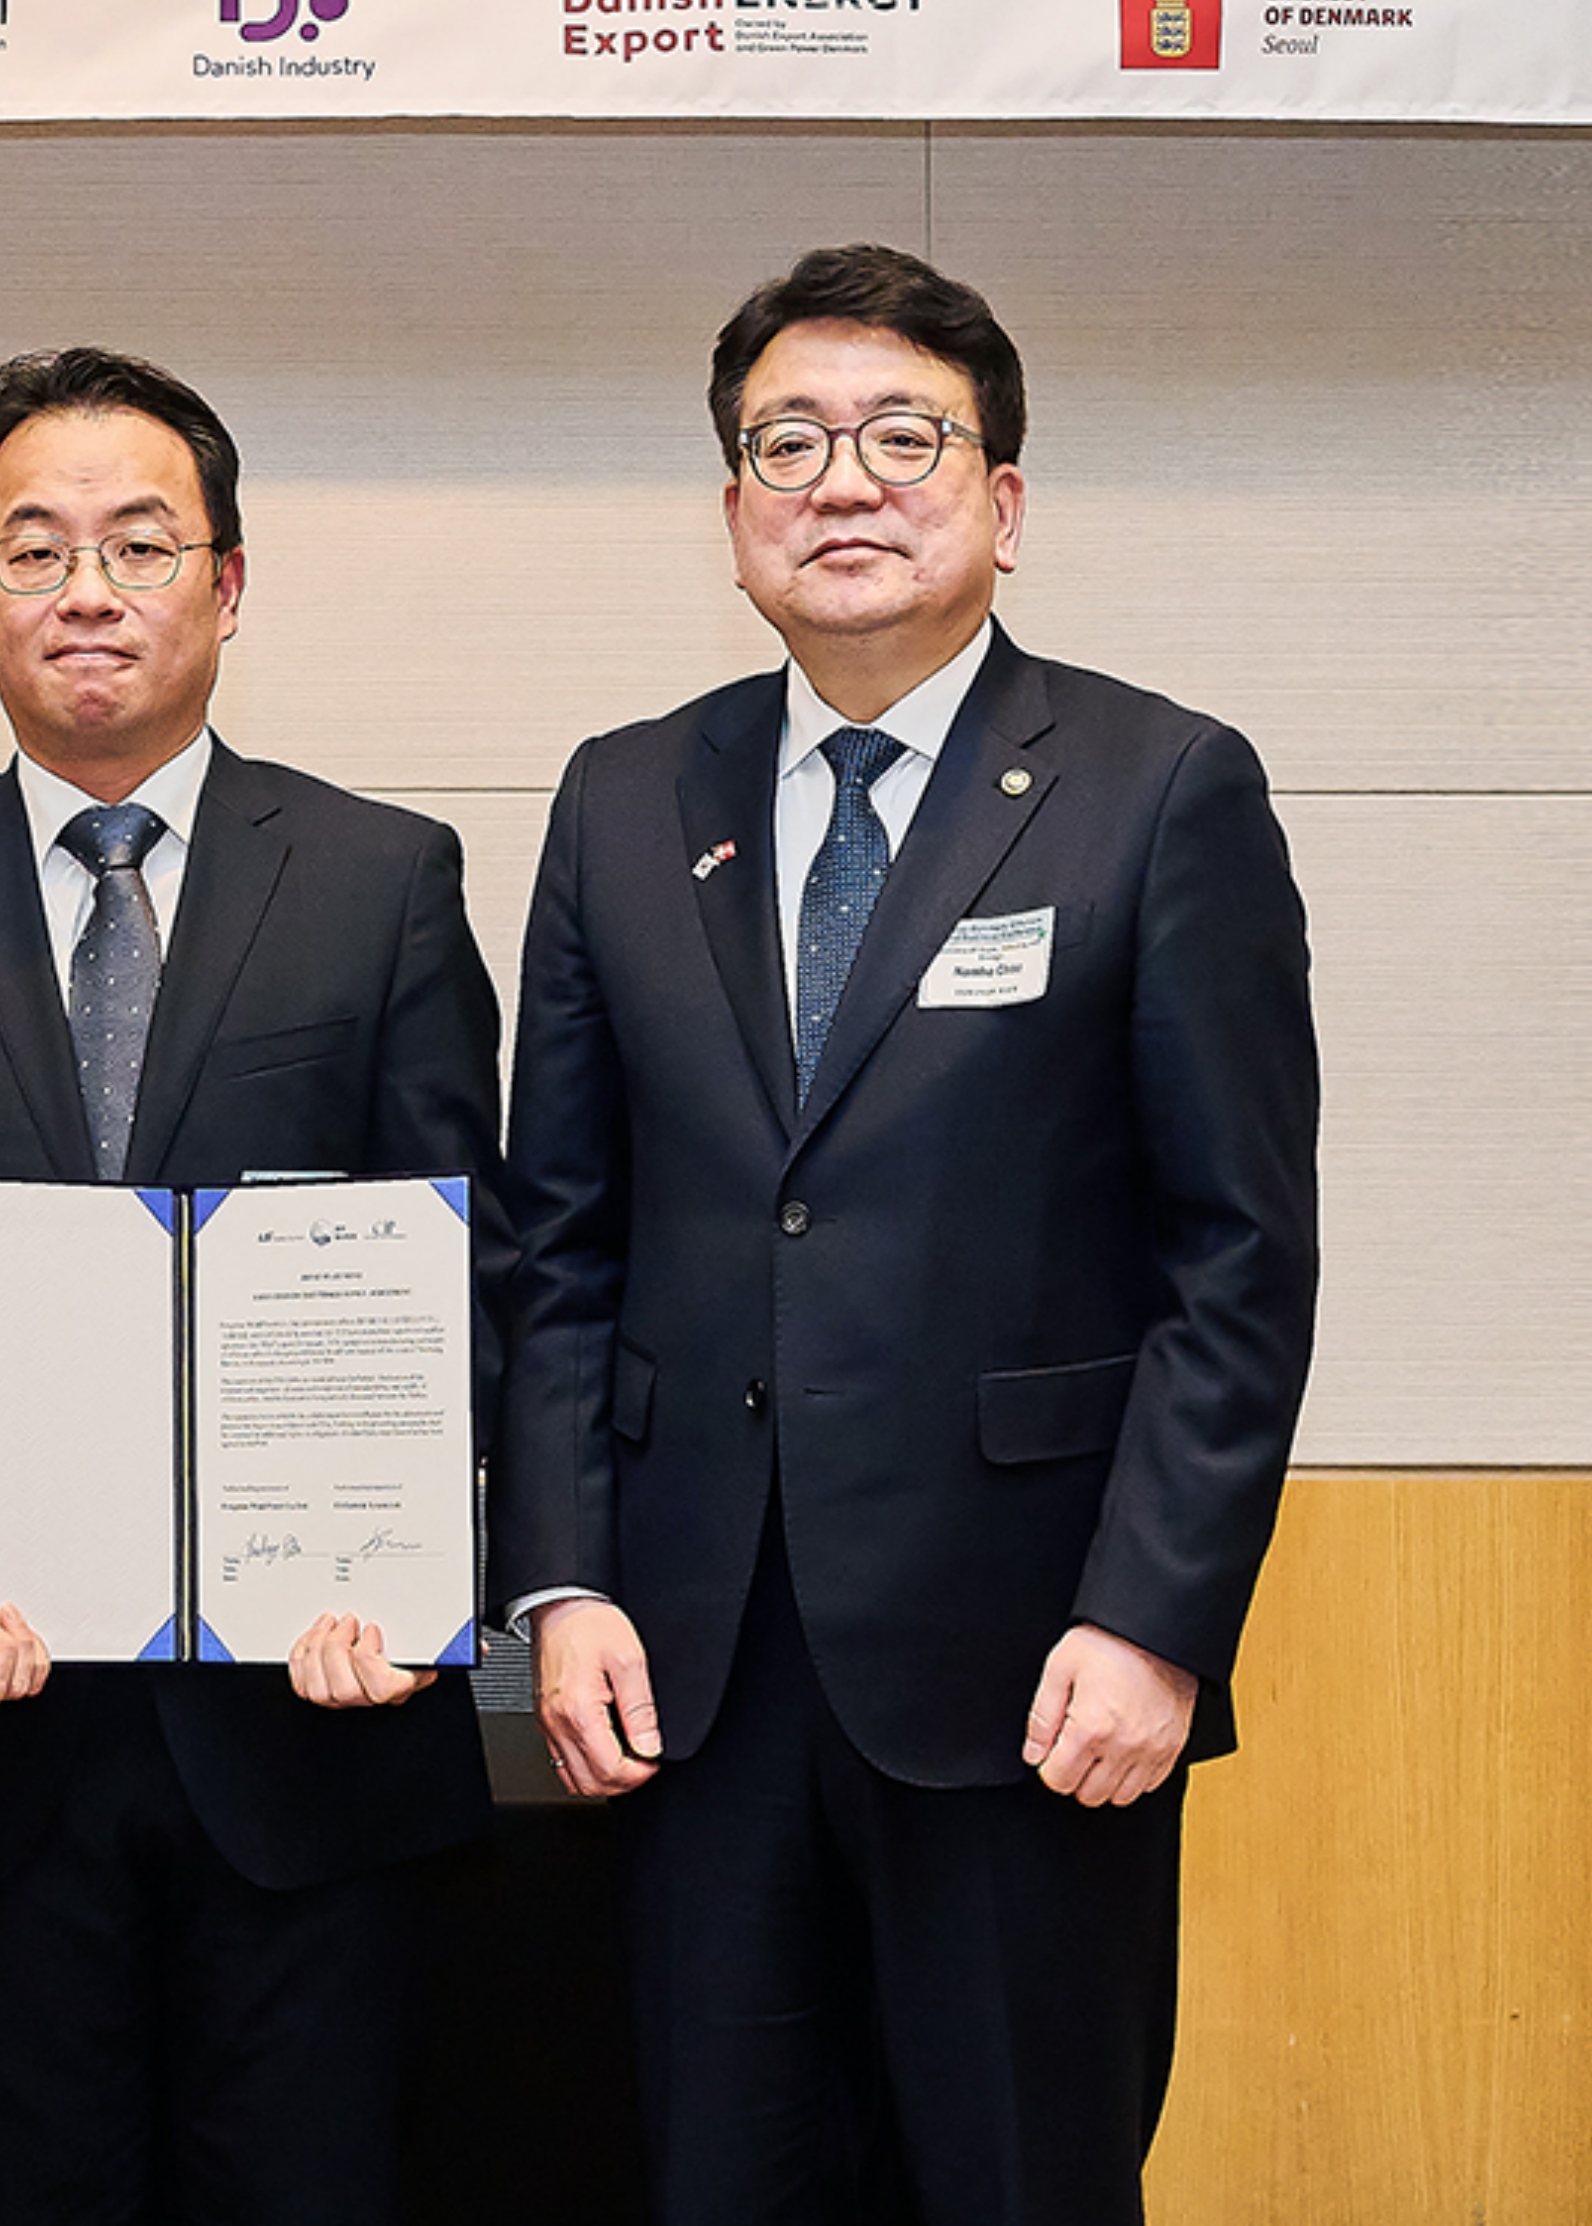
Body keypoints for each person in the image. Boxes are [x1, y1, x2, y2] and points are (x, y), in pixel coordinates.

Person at [503, 241, 1321, 2223]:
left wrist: (1153, 1619)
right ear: (734, 516)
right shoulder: (626, 799)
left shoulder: (1157, 789)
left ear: (1003, 502)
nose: (842, 483)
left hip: (1030, 1666)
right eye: (787, 443)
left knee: (1019, 2179)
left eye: (902, 437)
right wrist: (561, 1579)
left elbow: (1237, 1256)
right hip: (690, 1670)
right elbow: (558, 1241)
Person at [0, 345, 508, 2226]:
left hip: (309, 1720)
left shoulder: (381, 878)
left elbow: (465, 1266)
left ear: (226, 584)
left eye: (139, 545)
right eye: (34, 550)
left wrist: (398, 1548)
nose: (85, 589)